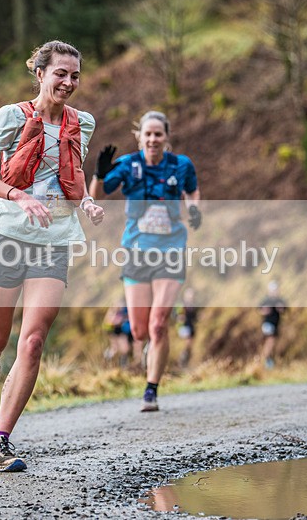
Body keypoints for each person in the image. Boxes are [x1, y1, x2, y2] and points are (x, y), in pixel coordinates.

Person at [0, 40, 104, 472]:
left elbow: (70, 176)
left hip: (55, 238)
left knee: (34, 339)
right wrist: (17, 197)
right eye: (60, 73)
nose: (69, 82)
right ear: (40, 73)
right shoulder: (12, 116)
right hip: (6, 233)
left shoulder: (83, 122)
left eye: (75, 75)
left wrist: (86, 203)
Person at [89, 110, 201, 412]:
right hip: (137, 252)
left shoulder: (181, 164)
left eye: (158, 134)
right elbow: (96, 196)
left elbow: (192, 189)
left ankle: (151, 389)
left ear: (166, 137)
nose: (153, 139)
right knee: (139, 331)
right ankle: (150, 349)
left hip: (171, 250)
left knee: (159, 323)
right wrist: (98, 174)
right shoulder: (129, 164)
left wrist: (194, 209)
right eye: (147, 134)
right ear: (139, 136)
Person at [258, 280, 287, 369]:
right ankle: (265, 361)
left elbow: (284, 310)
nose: (274, 292)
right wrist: (265, 310)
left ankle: (267, 361)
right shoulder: (266, 300)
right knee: (270, 341)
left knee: (271, 343)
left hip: (275, 325)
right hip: (268, 324)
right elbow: (261, 311)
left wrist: (279, 307)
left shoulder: (280, 300)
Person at [103, 299, 134, 367]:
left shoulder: (122, 311)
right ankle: (108, 358)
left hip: (121, 331)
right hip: (115, 331)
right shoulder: (112, 312)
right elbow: (108, 322)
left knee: (124, 348)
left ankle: (122, 363)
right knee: (117, 348)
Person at [176, 287, 199, 370]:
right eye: (189, 295)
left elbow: (195, 318)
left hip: (191, 328)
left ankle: (185, 362)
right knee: (187, 343)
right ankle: (181, 360)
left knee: (190, 346)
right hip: (184, 328)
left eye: (192, 295)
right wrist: (180, 317)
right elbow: (177, 316)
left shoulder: (194, 306)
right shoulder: (182, 306)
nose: (191, 297)